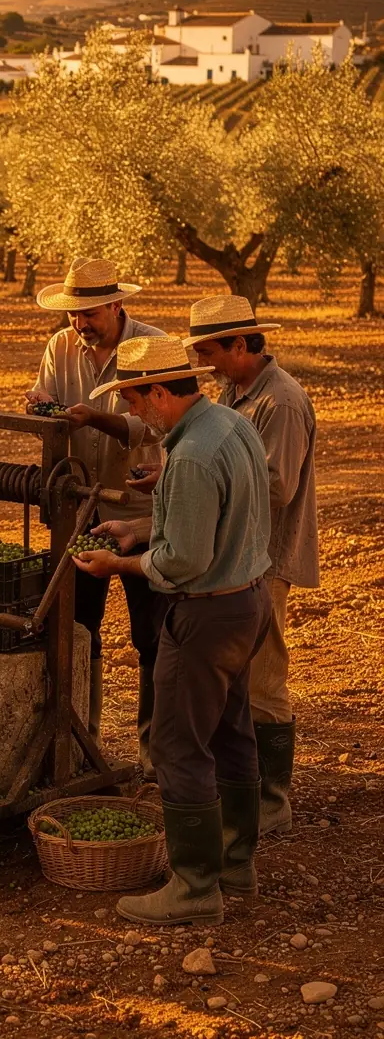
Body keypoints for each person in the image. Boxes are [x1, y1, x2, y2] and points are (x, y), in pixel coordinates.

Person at [74, 336, 272, 927]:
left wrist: (120, 564)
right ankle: (236, 863)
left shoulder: (187, 458)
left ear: (161, 390)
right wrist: (140, 529)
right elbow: (218, 519)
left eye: (136, 400)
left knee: (178, 745)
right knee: (233, 733)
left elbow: (184, 560)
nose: (134, 413)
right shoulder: (228, 427)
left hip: (204, 613)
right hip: (247, 602)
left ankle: (192, 885)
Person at [184, 294, 319, 834]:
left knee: (264, 674)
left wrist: (203, 487)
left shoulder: (280, 402)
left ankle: (273, 799)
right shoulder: (236, 388)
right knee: (239, 670)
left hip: (266, 554)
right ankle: (244, 785)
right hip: (240, 551)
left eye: (211, 350)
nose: (205, 362)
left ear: (240, 344)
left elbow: (277, 486)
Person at [26, 256, 166, 768]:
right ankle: (83, 738)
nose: (80, 325)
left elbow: (152, 425)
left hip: (141, 509)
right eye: (73, 316)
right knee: (79, 626)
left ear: (116, 305)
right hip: (79, 510)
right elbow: (55, 410)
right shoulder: (60, 346)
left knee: (149, 632)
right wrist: (43, 406)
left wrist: (96, 417)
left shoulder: (152, 347)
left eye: (90, 315)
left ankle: (152, 750)